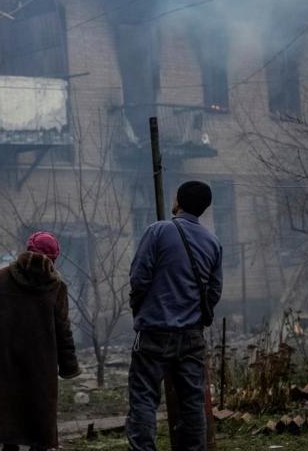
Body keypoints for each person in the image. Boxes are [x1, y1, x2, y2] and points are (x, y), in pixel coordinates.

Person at [126, 181, 223, 451]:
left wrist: (139, 309)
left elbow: (139, 278)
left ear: (178, 200)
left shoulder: (158, 231)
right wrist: (199, 317)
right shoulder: (213, 242)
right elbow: (214, 291)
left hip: (154, 331)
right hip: (191, 335)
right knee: (193, 403)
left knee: (144, 399)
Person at [0, 231, 80, 451]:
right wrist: (69, 366)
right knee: (38, 412)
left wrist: (6, 318)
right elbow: (63, 329)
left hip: (6, 358)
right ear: (53, 259)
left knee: (7, 408)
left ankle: (10, 446)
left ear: (28, 250)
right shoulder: (57, 287)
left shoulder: (4, 277)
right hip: (41, 363)